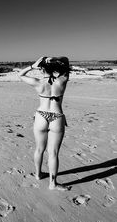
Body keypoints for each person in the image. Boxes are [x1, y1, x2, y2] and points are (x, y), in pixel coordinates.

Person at [19, 56, 71, 191]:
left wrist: (33, 66)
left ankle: (38, 174)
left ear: (41, 69)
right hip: (57, 116)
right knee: (53, 153)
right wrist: (56, 59)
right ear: (54, 68)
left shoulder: (37, 82)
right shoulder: (62, 80)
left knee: (39, 149)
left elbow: (20, 74)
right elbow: (66, 61)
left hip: (41, 116)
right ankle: (53, 183)